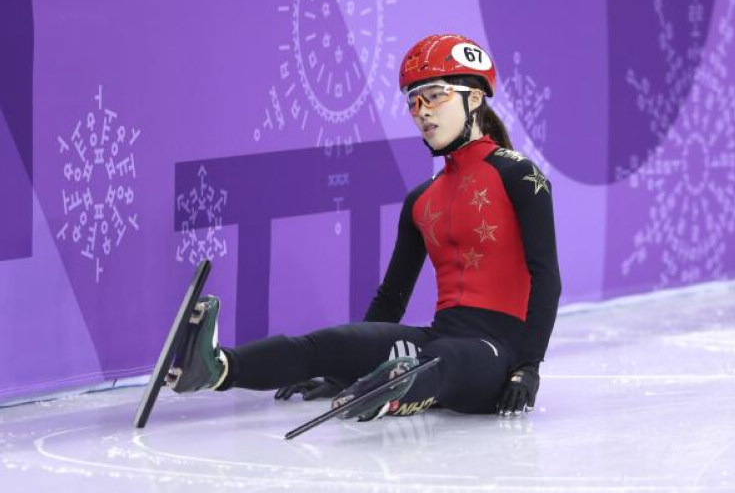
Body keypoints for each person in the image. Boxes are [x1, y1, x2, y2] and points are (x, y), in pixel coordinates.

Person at [166, 34, 562, 421]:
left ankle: (392, 389)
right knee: (329, 343)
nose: (423, 110)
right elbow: (392, 298)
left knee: (440, 362)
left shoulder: (519, 175)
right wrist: (344, 368)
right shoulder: (421, 200)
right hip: (438, 341)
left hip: (496, 356)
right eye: (414, 100)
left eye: (436, 95)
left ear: (474, 98)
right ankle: (216, 368)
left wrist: (528, 366)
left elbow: (547, 277)